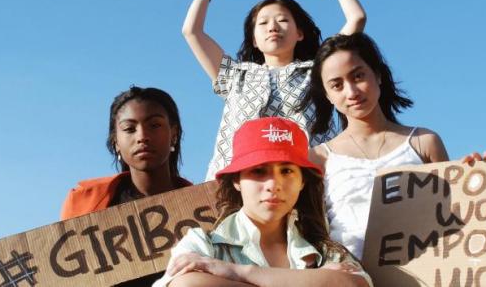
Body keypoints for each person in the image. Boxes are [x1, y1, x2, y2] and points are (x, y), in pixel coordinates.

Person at [183, 0, 367, 180]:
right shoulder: (235, 76)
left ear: (299, 33)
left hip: (304, 181)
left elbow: (356, 18)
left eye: (282, 20)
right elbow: (191, 31)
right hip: (238, 183)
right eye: (263, 23)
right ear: (254, 40)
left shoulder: (319, 71)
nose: (273, 27)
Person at [298, 33, 486, 259]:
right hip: (353, 277)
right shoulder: (318, 158)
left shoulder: (424, 142)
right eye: (337, 85)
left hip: (423, 273)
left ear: (378, 75)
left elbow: (452, 213)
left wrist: (479, 180)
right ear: (328, 95)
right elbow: (312, 233)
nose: (351, 92)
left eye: (358, 76)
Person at [152, 117, 372, 287]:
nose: (273, 184)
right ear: (236, 180)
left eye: (286, 171)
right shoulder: (201, 245)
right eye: (258, 171)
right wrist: (314, 281)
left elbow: (356, 284)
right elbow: (186, 285)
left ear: (302, 181)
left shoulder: (324, 251)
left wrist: (236, 272)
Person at [60, 86, 192, 219]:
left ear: (174, 134)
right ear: (116, 142)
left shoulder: (206, 201)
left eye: (154, 125)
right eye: (129, 129)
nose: (142, 137)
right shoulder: (82, 204)